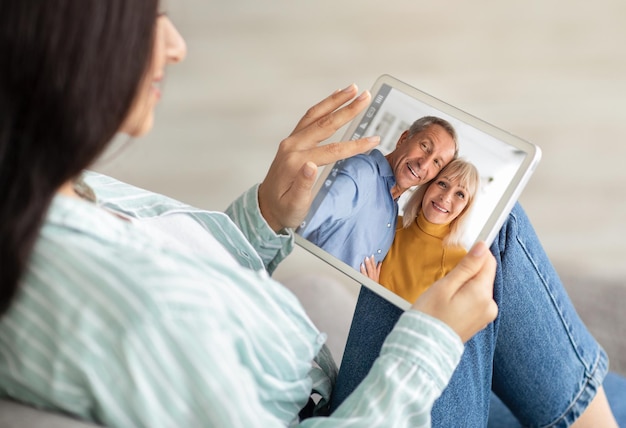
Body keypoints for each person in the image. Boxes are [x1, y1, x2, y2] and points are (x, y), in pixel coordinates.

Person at [0, 2, 622, 427]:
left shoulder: (53, 192)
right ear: (63, 47)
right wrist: (429, 340)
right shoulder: (117, 306)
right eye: (147, 19)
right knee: (493, 239)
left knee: (499, 291)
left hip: (332, 390)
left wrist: (266, 217)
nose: (177, 45)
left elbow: (188, 273)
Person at [297, 116, 458, 271]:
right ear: (403, 138)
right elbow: (300, 225)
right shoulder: (362, 173)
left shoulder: (393, 209)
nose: (424, 164)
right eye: (424, 146)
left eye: (437, 162)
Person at [361, 158, 480, 302]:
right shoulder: (389, 222)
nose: (446, 197)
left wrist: (373, 292)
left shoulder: (460, 262)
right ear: (427, 186)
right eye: (442, 184)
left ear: (465, 208)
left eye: (460, 194)